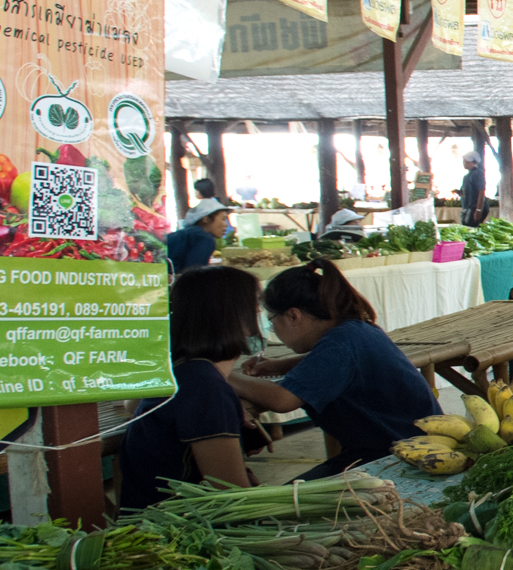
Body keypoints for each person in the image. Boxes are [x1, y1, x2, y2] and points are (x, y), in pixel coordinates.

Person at [228, 259, 440, 478]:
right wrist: (279, 365)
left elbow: (283, 400)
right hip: (409, 446)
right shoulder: (355, 330)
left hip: (399, 457)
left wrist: (224, 376)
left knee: (284, 506)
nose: (273, 329)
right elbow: (333, 363)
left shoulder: (340, 344)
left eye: (272, 321)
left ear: (293, 316)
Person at [118, 265, 264, 511]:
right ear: (232, 314)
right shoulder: (205, 387)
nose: (260, 311)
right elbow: (232, 495)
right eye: (255, 304)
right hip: (172, 534)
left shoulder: (185, 372)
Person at [164, 198, 234, 271]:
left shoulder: (189, 234)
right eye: (223, 219)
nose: (226, 225)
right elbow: (194, 274)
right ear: (205, 219)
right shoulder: (205, 238)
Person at [460, 151, 489, 227]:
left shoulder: (478, 173)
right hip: (469, 207)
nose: (464, 163)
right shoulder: (467, 176)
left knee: (472, 228)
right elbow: (466, 192)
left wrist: (478, 210)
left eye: (466, 162)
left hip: (474, 207)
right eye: (464, 161)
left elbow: (481, 191)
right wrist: (459, 192)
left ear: (473, 162)